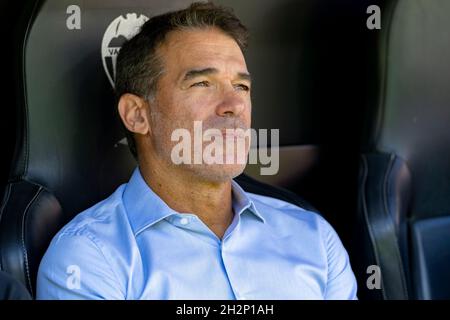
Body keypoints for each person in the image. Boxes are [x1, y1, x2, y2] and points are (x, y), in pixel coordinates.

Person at [37, 2, 357, 300]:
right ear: (137, 114)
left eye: (242, 87)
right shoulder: (89, 258)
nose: (234, 106)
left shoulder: (314, 237)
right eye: (202, 83)